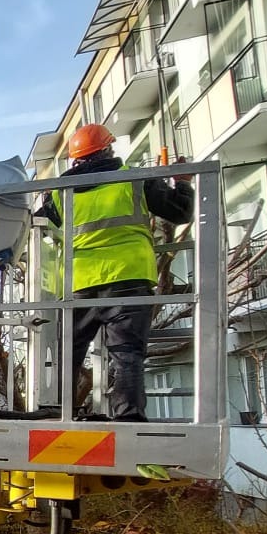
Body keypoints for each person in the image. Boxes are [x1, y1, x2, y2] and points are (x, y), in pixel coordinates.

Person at [35, 124, 194, 422]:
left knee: (68, 352)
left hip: (77, 283)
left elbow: (37, 227)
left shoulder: (59, 193)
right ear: (109, 149)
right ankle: (128, 415)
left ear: (75, 160)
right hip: (127, 279)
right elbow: (180, 211)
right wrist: (182, 182)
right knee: (126, 353)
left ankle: (57, 412)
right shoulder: (134, 180)